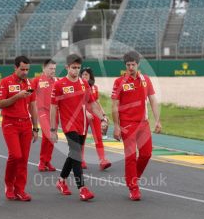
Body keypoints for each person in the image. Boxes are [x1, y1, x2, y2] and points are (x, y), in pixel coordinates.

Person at [50, 54, 108, 201]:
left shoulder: (84, 84)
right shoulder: (59, 85)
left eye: (78, 68)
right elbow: (53, 107)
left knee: (73, 154)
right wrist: (53, 129)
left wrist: (103, 118)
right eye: (73, 68)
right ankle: (82, 188)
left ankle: (61, 181)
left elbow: (93, 104)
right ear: (67, 67)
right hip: (69, 126)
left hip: (82, 125)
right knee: (76, 153)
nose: (76, 71)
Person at [111, 51, 162, 201]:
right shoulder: (119, 82)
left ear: (138, 64)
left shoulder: (146, 80)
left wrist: (157, 120)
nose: (131, 67)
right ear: (125, 66)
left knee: (146, 154)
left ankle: (132, 177)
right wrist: (116, 126)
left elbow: (152, 100)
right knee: (131, 156)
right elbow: (115, 105)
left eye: (133, 64)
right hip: (127, 124)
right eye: (128, 65)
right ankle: (133, 187)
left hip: (144, 124)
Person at [0, 55, 38, 202]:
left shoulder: (30, 83)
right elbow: (0, 104)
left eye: (27, 69)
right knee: (16, 155)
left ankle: (20, 189)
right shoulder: (6, 82)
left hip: (26, 124)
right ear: (15, 68)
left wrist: (36, 128)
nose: (25, 72)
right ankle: (9, 185)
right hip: (10, 123)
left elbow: (33, 106)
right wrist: (17, 96)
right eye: (22, 69)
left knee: (24, 159)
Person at [80, 67, 111, 170]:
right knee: (82, 138)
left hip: (95, 114)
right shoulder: (78, 86)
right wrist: (86, 112)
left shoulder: (94, 87)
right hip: (82, 114)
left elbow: (96, 103)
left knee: (98, 138)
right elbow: (77, 103)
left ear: (90, 77)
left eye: (86, 75)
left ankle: (103, 160)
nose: (84, 77)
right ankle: (81, 160)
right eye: (83, 74)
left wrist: (104, 115)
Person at [31, 59, 58, 172]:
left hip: (54, 113)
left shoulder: (57, 81)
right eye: (51, 68)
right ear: (44, 68)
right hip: (42, 112)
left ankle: (47, 161)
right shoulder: (37, 80)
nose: (53, 71)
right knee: (49, 134)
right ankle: (42, 161)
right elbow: (29, 95)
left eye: (54, 69)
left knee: (51, 139)